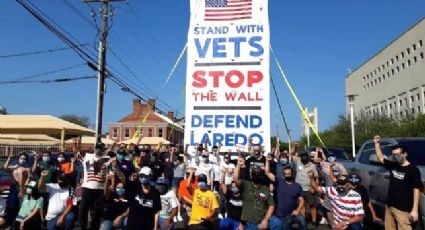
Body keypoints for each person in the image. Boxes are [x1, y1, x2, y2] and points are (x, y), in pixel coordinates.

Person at [373, 135, 422, 230]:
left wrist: (415, 210)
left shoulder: (413, 170)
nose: (396, 156)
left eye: (398, 154)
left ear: (405, 154)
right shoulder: (393, 164)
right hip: (390, 206)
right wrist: (377, 143)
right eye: (394, 155)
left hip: (403, 209)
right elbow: (380, 157)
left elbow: (417, 189)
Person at [234, 158, 279, 230]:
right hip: (249, 221)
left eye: (258, 174)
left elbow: (271, 205)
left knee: (276, 223)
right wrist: (238, 165)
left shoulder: (265, 189)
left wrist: (266, 219)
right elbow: (236, 179)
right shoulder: (246, 184)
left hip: (262, 219)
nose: (256, 175)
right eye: (255, 173)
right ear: (252, 175)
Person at [265, 156, 306, 230]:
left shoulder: (297, 186)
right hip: (281, 215)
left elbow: (302, 200)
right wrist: (267, 161)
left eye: (289, 173)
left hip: (293, 214)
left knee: (303, 221)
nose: (287, 175)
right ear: (283, 174)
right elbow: (267, 172)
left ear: (292, 173)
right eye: (286, 174)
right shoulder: (279, 182)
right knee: (285, 226)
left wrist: (298, 210)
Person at [79, 143, 107, 230]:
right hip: (87, 188)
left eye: (100, 148)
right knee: (83, 209)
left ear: (103, 150)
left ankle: (94, 228)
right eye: (97, 148)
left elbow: (109, 174)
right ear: (95, 149)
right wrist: (77, 143)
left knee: (97, 212)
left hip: (99, 189)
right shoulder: (88, 156)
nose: (98, 150)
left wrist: (105, 189)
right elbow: (77, 152)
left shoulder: (107, 159)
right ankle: (82, 227)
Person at [291, 152, 318, 226]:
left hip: (309, 189)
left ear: (308, 157)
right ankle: (303, 221)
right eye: (302, 156)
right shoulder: (298, 162)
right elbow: (292, 154)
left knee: (312, 206)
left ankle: (314, 222)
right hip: (299, 189)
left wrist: (314, 188)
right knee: (302, 206)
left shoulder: (312, 166)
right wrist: (294, 147)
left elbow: (316, 177)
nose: (304, 157)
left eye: (305, 156)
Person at [3, 152, 30, 223]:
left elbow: (28, 180)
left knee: (22, 206)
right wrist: (9, 158)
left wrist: (22, 190)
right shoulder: (15, 166)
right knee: (12, 205)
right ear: (18, 159)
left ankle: (21, 222)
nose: (22, 160)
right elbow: (5, 167)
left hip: (23, 188)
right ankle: (11, 222)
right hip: (13, 187)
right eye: (21, 158)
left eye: (24, 159)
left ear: (26, 160)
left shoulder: (27, 169)